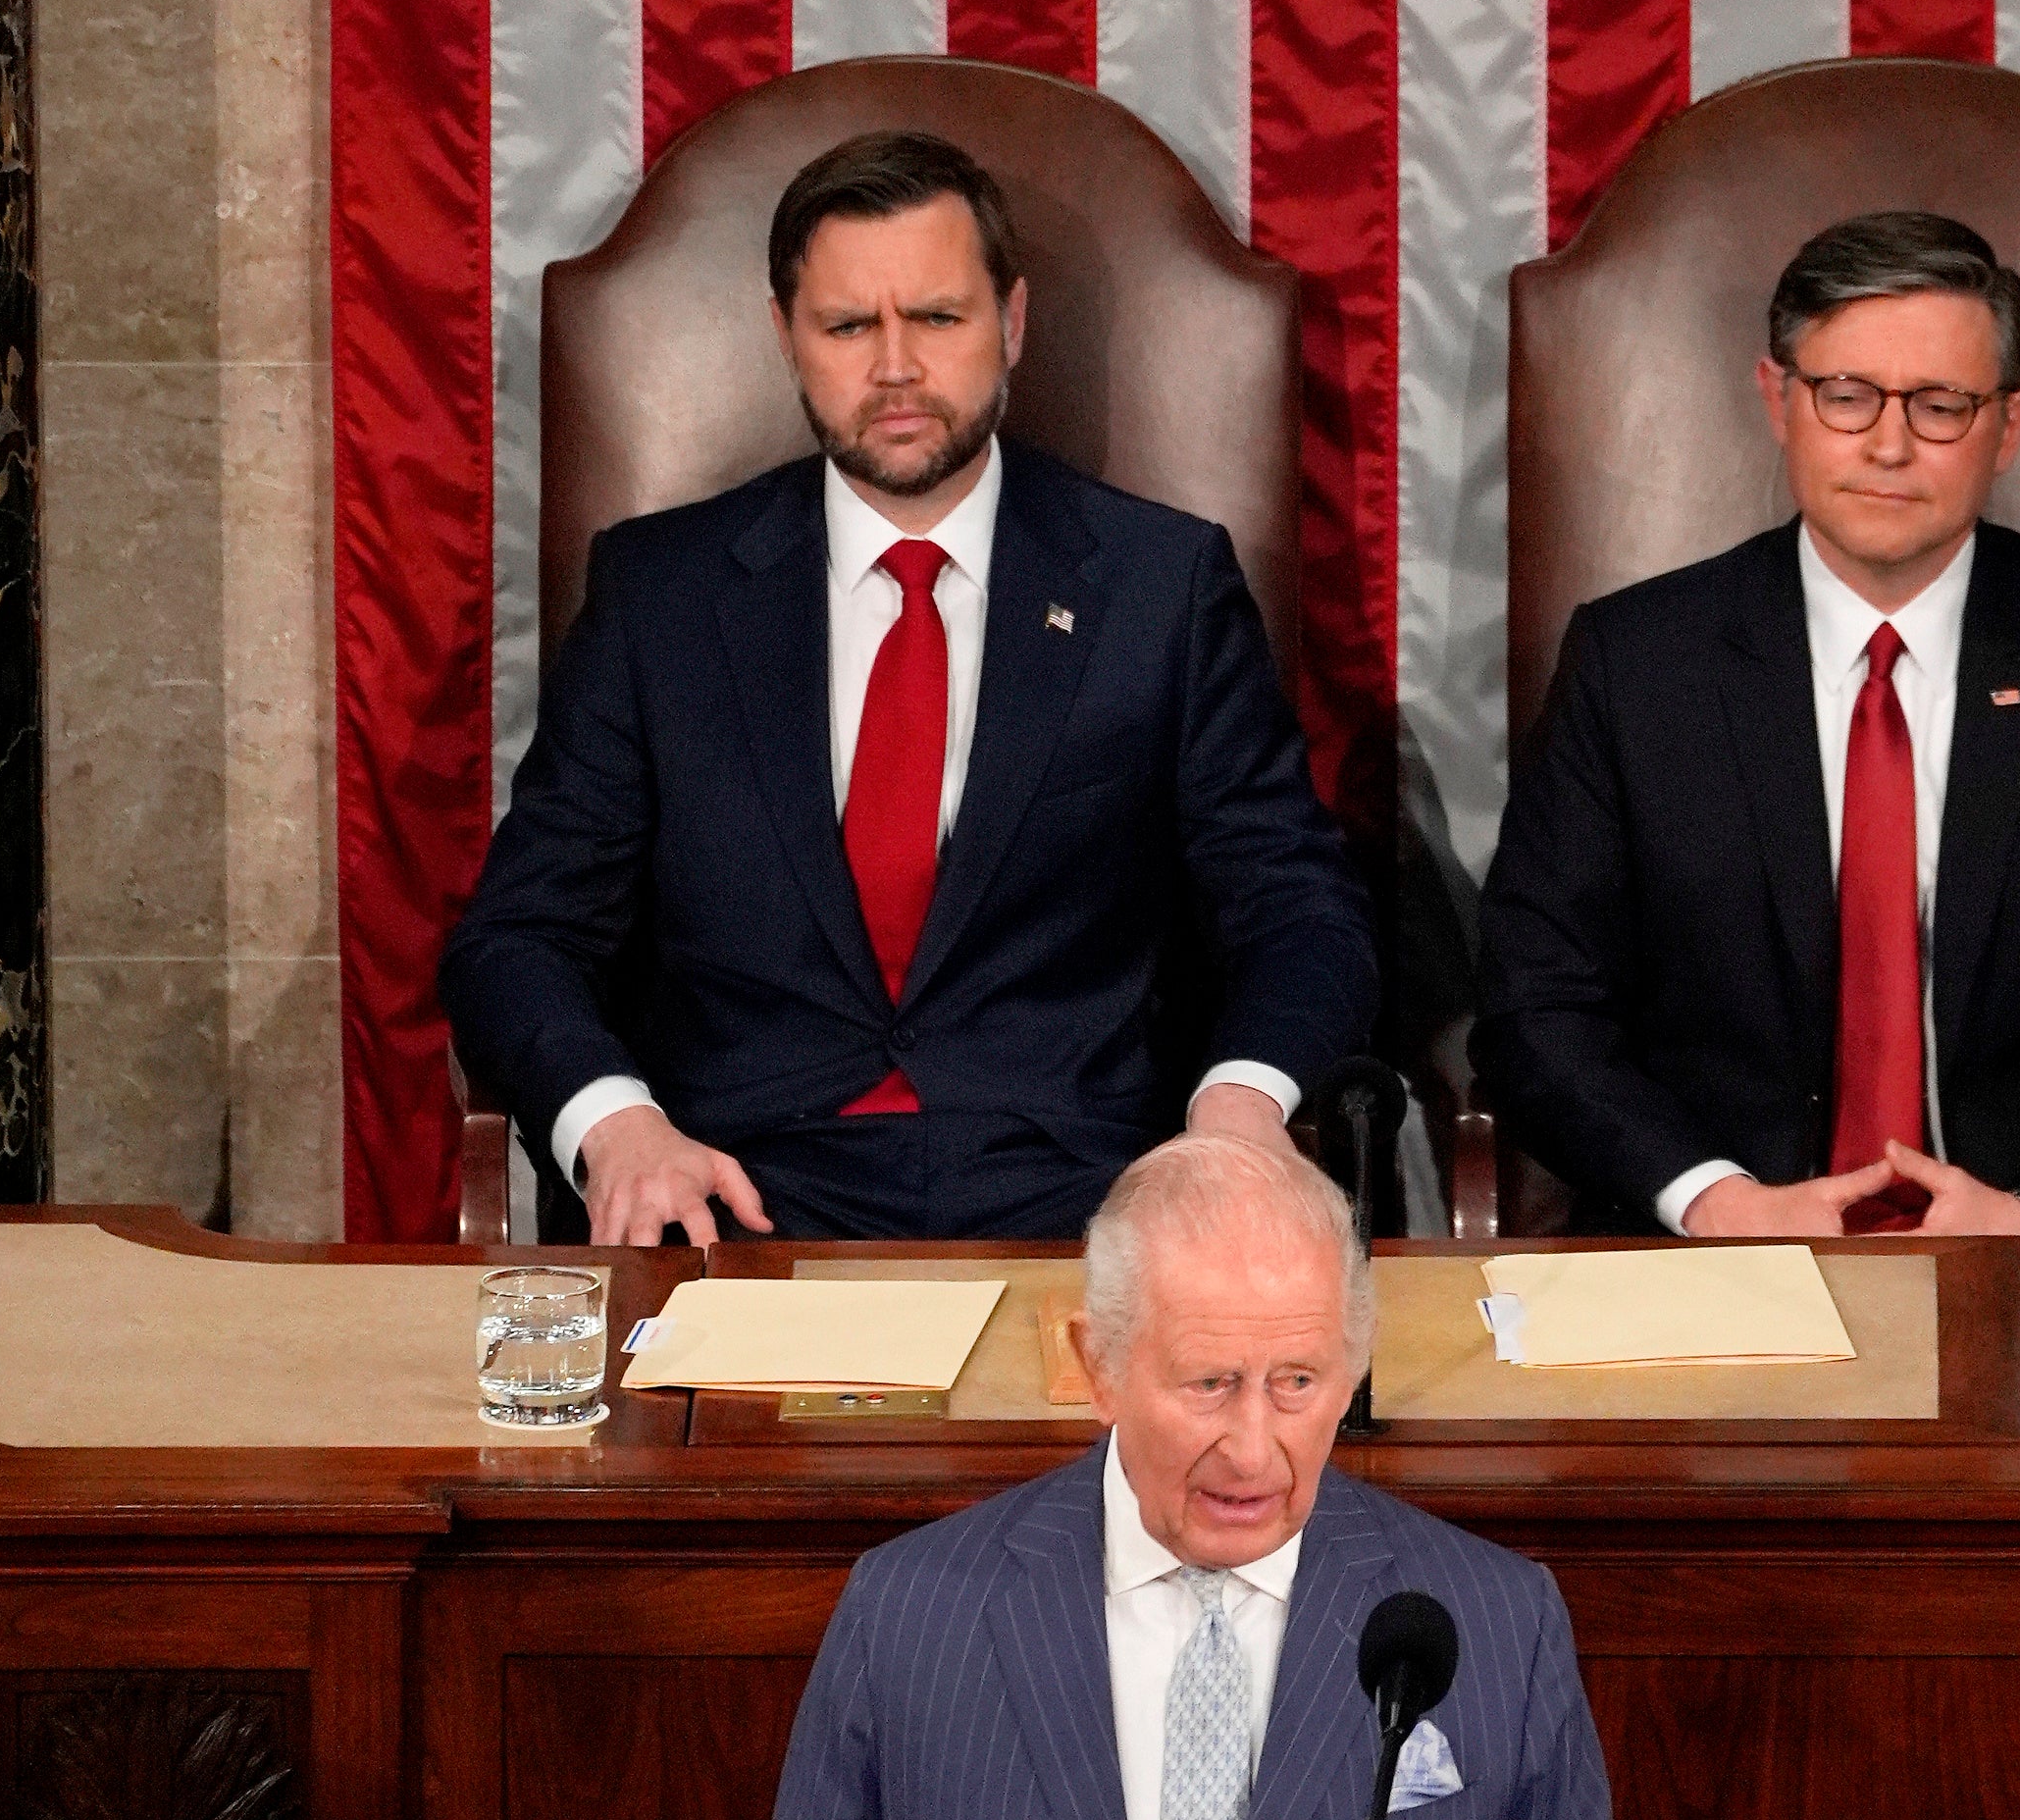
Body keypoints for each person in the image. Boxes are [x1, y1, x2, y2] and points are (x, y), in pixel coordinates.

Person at [440, 130, 1378, 1246]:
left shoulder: (1159, 586)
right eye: (848, 326)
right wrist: (618, 1126)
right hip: (735, 1195)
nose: (895, 367)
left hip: (1083, 1197)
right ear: (786, 336)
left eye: (937, 317)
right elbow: (518, 936)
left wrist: (1239, 1108)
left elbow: (1300, 910)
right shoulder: (661, 596)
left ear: (1012, 323)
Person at [726, 1133, 1641, 1820]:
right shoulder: (912, 1608)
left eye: (1297, 1382)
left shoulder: (1498, 1616)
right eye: (1210, 1384)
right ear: (1097, 1366)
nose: (1252, 1450)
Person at [1471, 207, 2020, 1247]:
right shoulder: (1637, 663)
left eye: (1942, 406)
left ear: (2013, 425)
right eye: (1847, 395)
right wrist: (1715, 1201)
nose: (1890, 444)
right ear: (1779, 399)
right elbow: (1535, 1007)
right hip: (1716, 1254)